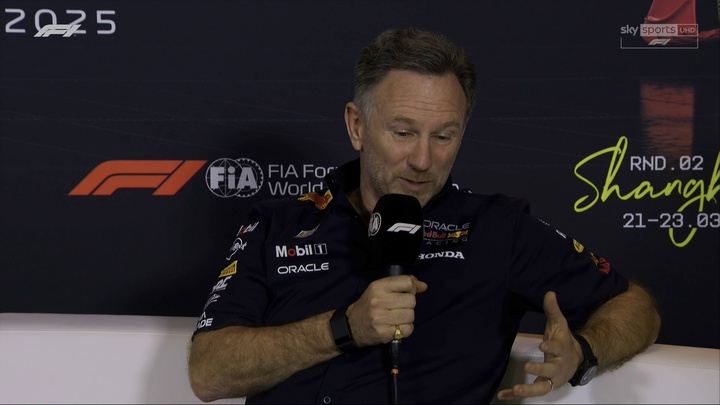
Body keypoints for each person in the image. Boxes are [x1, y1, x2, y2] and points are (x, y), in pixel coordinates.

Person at [188, 27, 660, 404]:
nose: (422, 159)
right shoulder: (278, 225)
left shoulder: (498, 228)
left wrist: (585, 354)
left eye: (443, 136)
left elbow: (636, 306)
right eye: (403, 132)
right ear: (357, 125)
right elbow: (208, 373)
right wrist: (343, 328)